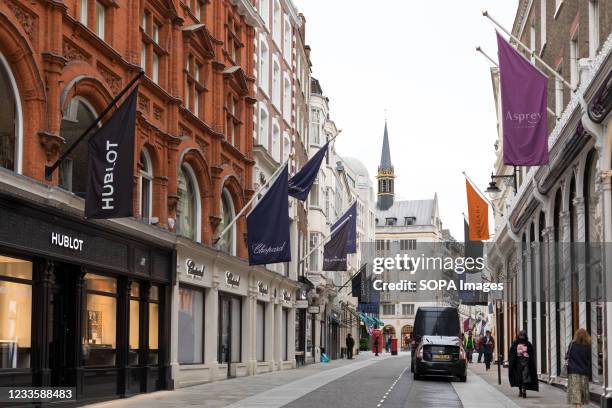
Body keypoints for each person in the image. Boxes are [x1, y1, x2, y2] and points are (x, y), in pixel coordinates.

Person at [508, 330, 538, 398]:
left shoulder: (528, 344)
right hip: (518, 363)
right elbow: (512, 353)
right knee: (519, 377)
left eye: (523, 335)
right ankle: (520, 391)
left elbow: (531, 353)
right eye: (521, 335)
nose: (522, 337)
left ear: (525, 336)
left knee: (525, 377)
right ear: (518, 336)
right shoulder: (515, 343)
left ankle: (524, 390)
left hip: (526, 363)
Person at [566, 328, 592, 407]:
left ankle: (578, 406)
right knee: (582, 391)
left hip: (573, 371)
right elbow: (589, 360)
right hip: (584, 372)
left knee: (575, 391)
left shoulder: (572, 345)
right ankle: (578, 406)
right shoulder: (587, 346)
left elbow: (567, 356)